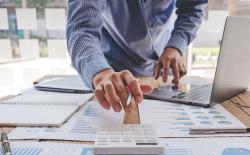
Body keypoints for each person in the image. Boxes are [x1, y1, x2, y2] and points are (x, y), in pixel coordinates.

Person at [67, 0, 207, 113]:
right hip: (111, 73)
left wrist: (175, 46)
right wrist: (100, 72)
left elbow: (192, 8)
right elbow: (82, 29)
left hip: (161, 69)